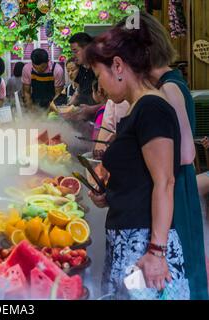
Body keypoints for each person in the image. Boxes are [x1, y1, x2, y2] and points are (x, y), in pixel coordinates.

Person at [86, 22, 190, 299]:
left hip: (143, 248)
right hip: (129, 240)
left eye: (99, 74)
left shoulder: (152, 108)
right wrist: (110, 194)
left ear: (118, 66)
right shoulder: (136, 109)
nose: (100, 86)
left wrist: (156, 252)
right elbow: (141, 179)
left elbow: (165, 181)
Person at [117, 12, 208, 300]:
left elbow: (185, 153)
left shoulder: (168, 88)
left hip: (174, 188)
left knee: (178, 271)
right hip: (173, 186)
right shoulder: (166, 84)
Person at [64, 33, 102, 121]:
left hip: (98, 120)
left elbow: (111, 103)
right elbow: (79, 90)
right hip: (83, 121)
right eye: (72, 52)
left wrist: (91, 109)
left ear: (87, 49)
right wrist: (68, 107)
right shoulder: (81, 68)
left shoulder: (100, 70)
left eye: (75, 51)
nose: (74, 55)